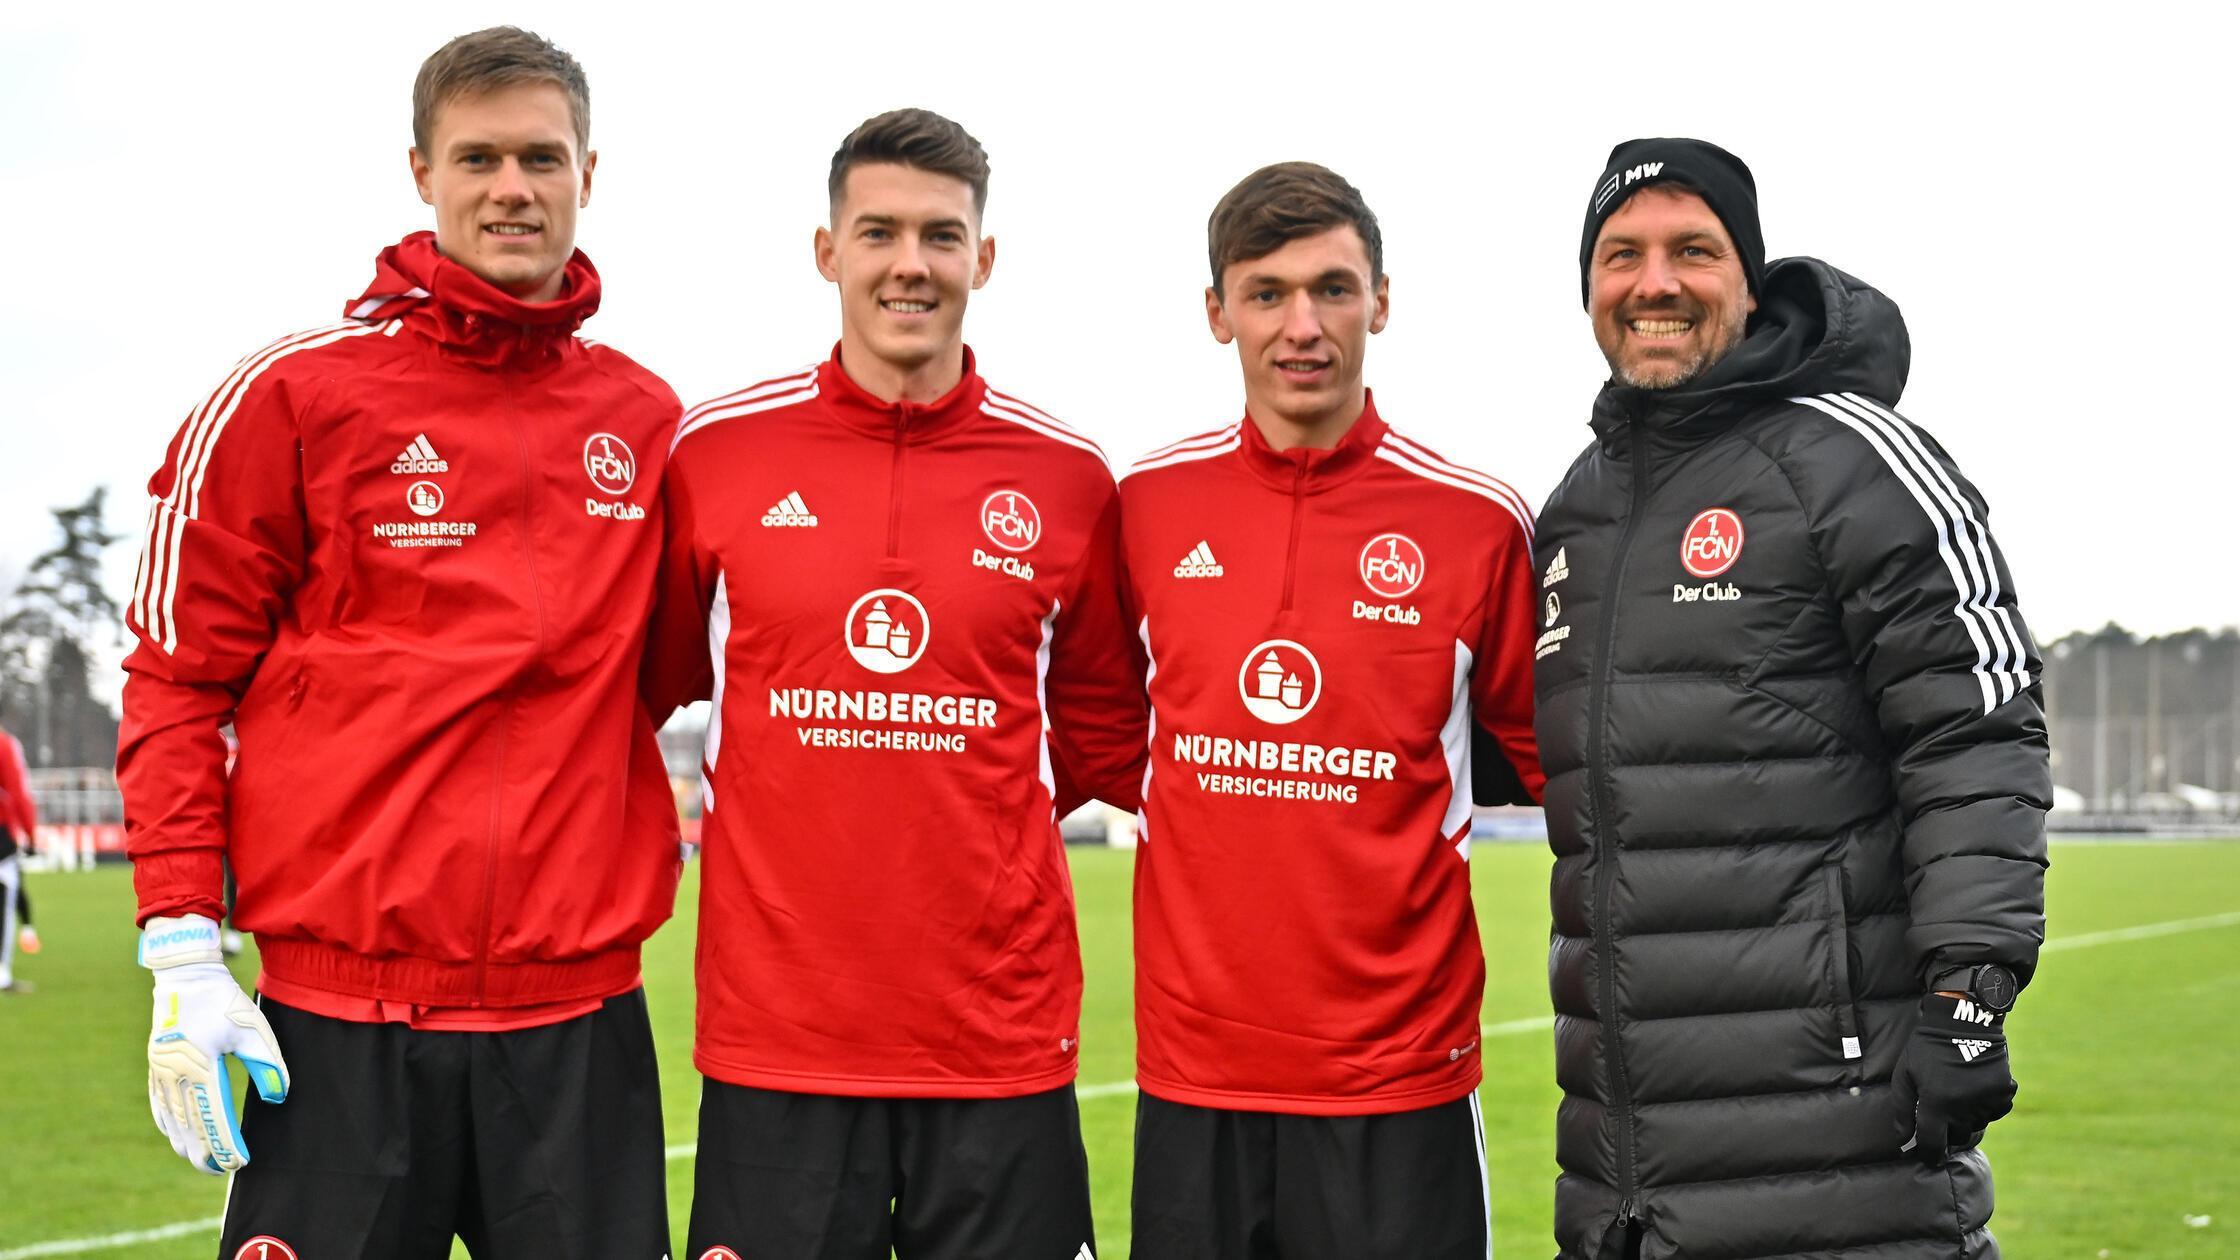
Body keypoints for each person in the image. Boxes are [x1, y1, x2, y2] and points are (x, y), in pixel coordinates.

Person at [117, 27, 682, 1258]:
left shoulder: (646, 420)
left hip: (576, 1026)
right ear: (420, 171)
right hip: (338, 1028)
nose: (512, 188)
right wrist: (180, 947)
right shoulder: (292, 394)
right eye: (477, 157)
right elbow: (174, 674)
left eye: (542, 157)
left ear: (592, 172)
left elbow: (676, 674)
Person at [1534, 138, 2050, 1259]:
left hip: (1840, 1150)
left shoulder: (1853, 460)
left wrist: (1967, 1000)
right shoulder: (1574, 513)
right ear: (1588, 288)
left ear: (1749, 281)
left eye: (1691, 250)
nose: (1653, 282)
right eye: (1620, 254)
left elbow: (1975, 736)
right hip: (1626, 1181)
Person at [645, 108, 1144, 1260]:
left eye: (939, 235)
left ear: (983, 257)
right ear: (827, 251)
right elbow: (652, 686)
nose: (908, 264)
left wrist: (964, 833)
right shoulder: (715, 455)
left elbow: (1101, 741)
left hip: (996, 1043)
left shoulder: (1068, 479)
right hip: (779, 1044)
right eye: (877, 232)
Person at [1118, 162, 1544, 1260]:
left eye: (1333, 290)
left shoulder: (1475, 523)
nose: (1301, 327)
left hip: (1395, 1084)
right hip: (1194, 1074)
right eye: (1265, 294)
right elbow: (1105, 734)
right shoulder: (1144, 507)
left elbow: (1553, 762)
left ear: (1382, 302)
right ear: (1216, 314)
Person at [1, 720, 35, 991]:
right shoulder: (5, 745)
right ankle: (1, 974)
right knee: (5, 902)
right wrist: (30, 835)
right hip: (1, 837)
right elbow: (19, 793)